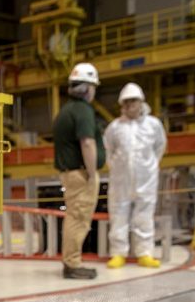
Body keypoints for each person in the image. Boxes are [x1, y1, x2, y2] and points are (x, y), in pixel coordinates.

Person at [104, 82, 167, 269]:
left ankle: (144, 254)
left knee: (144, 217)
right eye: (126, 102)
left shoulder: (153, 125)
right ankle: (118, 253)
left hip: (146, 180)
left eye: (133, 101)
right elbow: (108, 150)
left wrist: (150, 167)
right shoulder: (115, 127)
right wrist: (116, 168)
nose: (129, 105)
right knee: (118, 216)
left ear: (141, 102)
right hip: (120, 182)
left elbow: (160, 147)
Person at [53, 62, 105, 280]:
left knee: (74, 217)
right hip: (80, 173)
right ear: (88, 88)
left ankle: (70, 261)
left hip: (71, 172)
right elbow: (87, 143)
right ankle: (72, 264)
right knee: (79, 217)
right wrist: (92, 174)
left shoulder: (66, 111)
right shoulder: (83, 110)